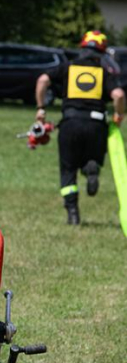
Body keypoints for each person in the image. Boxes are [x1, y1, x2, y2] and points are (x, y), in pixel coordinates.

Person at [35, 30, 125, 225]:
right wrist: (119, 115)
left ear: (82, 48)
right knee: (90, 158)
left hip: (70, 123)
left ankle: (73, 214)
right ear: (101, 52)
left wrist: (41, 109)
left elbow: (42, 80)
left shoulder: (68, 67)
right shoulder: (103, 72)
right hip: (96, 125)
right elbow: (118, 95)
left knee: (68, 169)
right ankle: (91, 168)